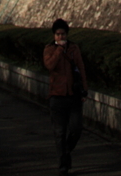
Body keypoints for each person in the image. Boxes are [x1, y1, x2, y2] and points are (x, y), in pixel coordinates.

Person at [43, 18, 88, 176]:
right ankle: (63, 164)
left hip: (73, 95)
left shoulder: (74, 48)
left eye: (63, 34)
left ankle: (66, 151)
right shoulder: (49, 49)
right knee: (59, 132)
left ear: (67, 34)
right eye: (58, 34)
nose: (60, 37)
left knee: (76, 128)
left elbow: (81, 68)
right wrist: (59, 51)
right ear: (54, 35)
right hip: (56, 95)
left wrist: (84, 89)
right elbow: (49, 65)